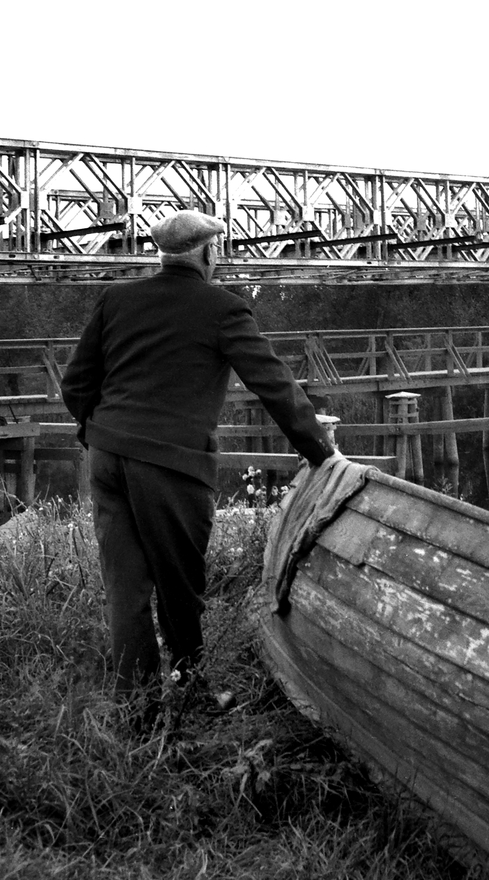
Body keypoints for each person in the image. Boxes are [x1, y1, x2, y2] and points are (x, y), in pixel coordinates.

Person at [61, 210, 335, 708]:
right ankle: (192, 694)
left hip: (106, 458)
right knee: (180, 585)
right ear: (209, 253)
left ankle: (137, 711)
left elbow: (76, 383)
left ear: (163, 253)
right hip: (171, 465)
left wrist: (95, 433)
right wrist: (322, 450)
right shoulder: (222, 308)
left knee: (126, 589)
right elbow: (272, 384)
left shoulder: (117, 300)